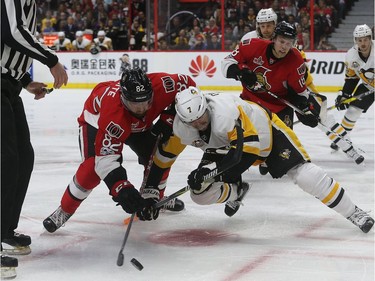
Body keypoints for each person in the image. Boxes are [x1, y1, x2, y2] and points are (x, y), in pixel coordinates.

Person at [164, 86, 373, 232]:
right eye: (191, 122)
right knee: (199, 194)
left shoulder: (225, 115)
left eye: (200, 117)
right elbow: (177, 153)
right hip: (227, 143)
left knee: (305, 175)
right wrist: (201, 175)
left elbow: (246, 154)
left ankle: (354, 212)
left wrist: (213, 173)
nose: (198, 124)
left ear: (206, 107)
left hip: (266, 133)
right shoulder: (182, 128)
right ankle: (236, 191)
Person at [43, 68, 196, 233]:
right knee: (91, 169)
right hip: (96, 121)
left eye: (146, 102)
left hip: (138, 126)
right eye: (134, 104)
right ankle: (64, 210)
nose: (141, 109)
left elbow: (189, 87)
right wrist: (122, 189)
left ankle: (156, 196)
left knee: (159, 155)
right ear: (123, 99)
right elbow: (106, 160)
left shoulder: (164, 84)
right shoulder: (112, 115)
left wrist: (168, 118)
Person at [222, 20, 364, 172]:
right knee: (237, 130)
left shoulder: (296, 60)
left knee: (281, 153)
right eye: (282, 41)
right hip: (250, 103)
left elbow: (299, 92)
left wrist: (304, 108)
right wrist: (240, 73)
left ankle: (346, 145)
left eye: (289, 43)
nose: (284, 47)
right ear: (274, 39)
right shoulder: (252, 45)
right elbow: (227, 63)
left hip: (279, 107)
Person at [1, 0, 68, 279]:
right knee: (6, 159)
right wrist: (51, 60)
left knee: (23, 158)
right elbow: (11, 32)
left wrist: (25, 81)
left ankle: (4, 229)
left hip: (9, 85)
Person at [332, 24, 374, 150]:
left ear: (370, 38)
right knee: (353, 110)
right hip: (369, 87)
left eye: (366, 39)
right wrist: (344, 95)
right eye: (360, 40)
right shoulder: (351, 56)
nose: (363, 43)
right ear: (355, 40)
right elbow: (352, 78)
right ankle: (343, 138)